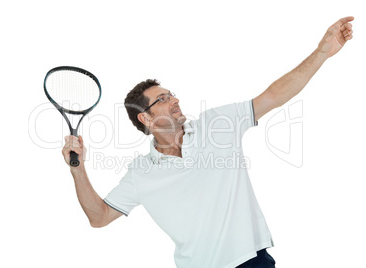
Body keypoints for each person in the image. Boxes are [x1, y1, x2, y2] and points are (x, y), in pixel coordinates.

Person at [62, 17, 354, 268]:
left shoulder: (217, 124)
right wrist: (78, 168)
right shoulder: (140, 174)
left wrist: (322, 52)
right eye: (162, 99)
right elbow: (99, 217)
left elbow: (274, 96)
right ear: (146, 119)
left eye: (171, 93)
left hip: (251, 262)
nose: (174, 99)